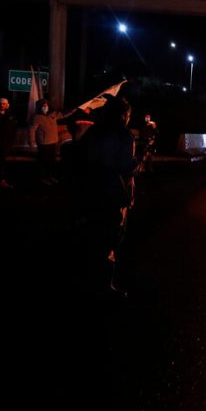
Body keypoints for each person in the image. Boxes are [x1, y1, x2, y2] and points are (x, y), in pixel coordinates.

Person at [78, 95, 137, 296]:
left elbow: (83, 157)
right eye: (128, 114)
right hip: (113, 192)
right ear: (123, 115)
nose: (128, 117)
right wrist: (136, 163)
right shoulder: (124, 135)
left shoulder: (94, 132)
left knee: (93, 234)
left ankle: (88, 280)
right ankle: (105, 286)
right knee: (111, 238)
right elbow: (125, 167)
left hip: (91, 190)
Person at [28, 99, 69, 185]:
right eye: (43, 106)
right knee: (44, 161)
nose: (45, 107)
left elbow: (64, 114)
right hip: (43, 143)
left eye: (46, 105)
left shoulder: (53, 114)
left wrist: (76, 109)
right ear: (39, 107)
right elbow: (32, 130)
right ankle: (43, 177)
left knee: (51, 161)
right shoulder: (37, 117)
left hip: (53, 141)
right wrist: (32, 141)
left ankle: (50, 176)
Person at [0, 98, 17, 188]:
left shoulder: (10, 115)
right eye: (1, 104)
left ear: (7, 105)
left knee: (3, 162)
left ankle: (2, 180)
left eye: (4, 104)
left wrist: (11, 140)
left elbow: (13, 128)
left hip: (5, 142)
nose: (2, 105)